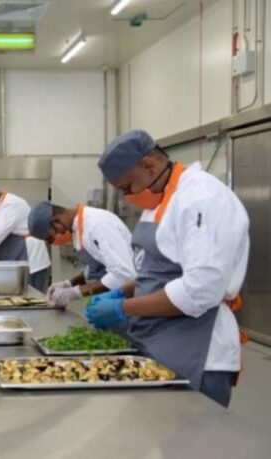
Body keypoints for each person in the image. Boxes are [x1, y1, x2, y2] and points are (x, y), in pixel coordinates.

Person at [86, 129, 248, 407]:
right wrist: (126, 291)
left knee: (192, 434)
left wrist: (123, 308)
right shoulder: (162, 198)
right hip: (157, 342)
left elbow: (200, 291)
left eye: (127, 187)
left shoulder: (202, 198)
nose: (128, 196)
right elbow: (158, 271)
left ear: (149, 165)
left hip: (196, 350)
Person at [28, 201, 135, 307]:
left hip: (131, 301)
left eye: (50, 238)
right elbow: (98, 268)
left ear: (57, 221)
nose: (53, 242)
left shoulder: (98, 225)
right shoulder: (79, 229)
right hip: (115, 299)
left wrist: (77, 292)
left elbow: (124, 274)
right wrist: (70, 283)